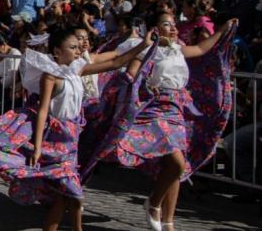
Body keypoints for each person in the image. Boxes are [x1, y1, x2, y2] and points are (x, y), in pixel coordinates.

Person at [0, 28, 153, 231]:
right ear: (57, 51)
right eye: (72, 47)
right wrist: (37, 148)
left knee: (68, 195)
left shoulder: (78, 69)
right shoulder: (51, 77)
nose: (77, 51)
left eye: (78, 47)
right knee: (73, 193)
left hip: (71, 140)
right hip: (55, 142)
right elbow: (43, 110)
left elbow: (116, 62)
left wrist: (143, 45)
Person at [97, 15, 238, 231]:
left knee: (174, 166)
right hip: (154, 109)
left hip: (176, 108)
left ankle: (168, 222)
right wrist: (136, 82)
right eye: (166, 24)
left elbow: (201, 49)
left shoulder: (178, 48)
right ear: (155, 28)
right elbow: (132, 72)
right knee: (177, 162)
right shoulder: (145, 49)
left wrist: (222, 30)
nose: (172, 28)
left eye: (174, 24)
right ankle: (154, 202)